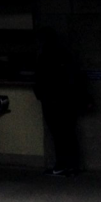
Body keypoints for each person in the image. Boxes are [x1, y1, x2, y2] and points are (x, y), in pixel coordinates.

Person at [34, 27, 84, 176]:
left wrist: (41, 94)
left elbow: (43, 79)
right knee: (68, 133)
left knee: (58, 134)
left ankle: (62, 164)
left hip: (52, 100)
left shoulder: (46, 56)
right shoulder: (65, 54)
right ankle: (72, 164)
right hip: (66, 99)